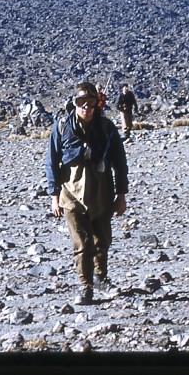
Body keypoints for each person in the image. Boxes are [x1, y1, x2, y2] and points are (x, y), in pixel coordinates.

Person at [45, 81, 129, 305]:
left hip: (102, 194)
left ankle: (101, 279)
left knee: (102, 241)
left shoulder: (107, 128)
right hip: (71, 196)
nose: (86, 107)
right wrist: (54, 196)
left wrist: (121, 195)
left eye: (90, 102)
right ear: (74, 103)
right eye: (81, 102)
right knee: (82, 244)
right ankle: (86, 286)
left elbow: (120, 163)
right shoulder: (62, 126)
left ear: (97, 103)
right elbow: (52, 161)